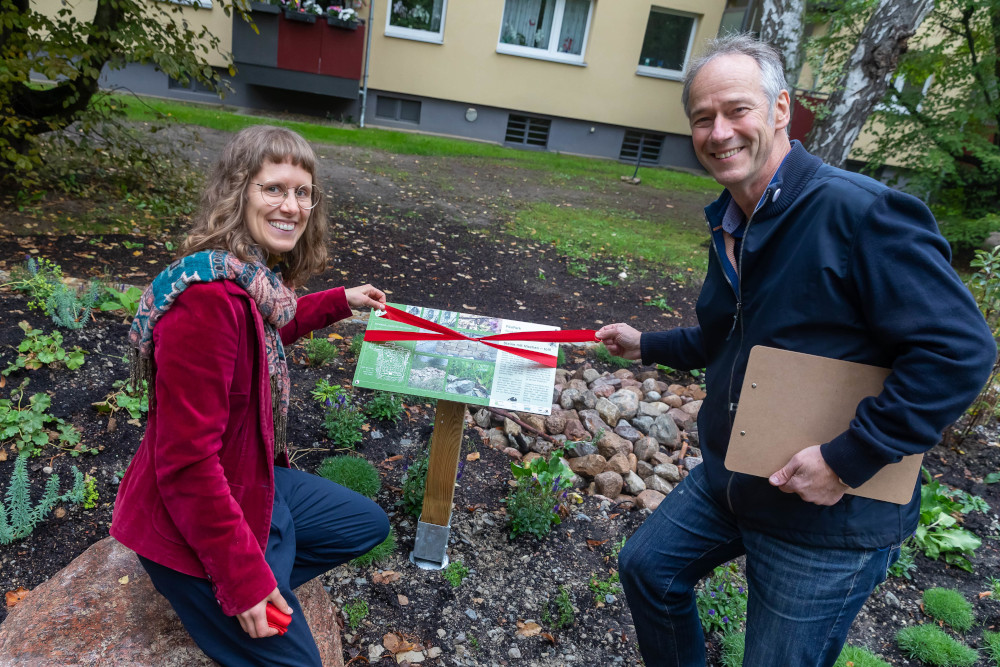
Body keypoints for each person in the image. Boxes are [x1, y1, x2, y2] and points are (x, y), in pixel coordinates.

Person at [595, 34, 995, 666]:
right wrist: (645, 344)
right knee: (648, 569)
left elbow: (960, 350)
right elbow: (727, 334)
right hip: (734, 480)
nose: (719, 131)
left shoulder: (857, 212)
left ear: (781, 110)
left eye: (737, 110)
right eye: (703, 118)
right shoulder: (732, 221)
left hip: (828, 517)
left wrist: (847, 458)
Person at [111, 125, 390, 666]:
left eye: (303, 192)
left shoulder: (247, 281)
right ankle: (221, 593)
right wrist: (243, 582)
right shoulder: (207, 301)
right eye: (274, 189)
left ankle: (252, 583)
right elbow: (187, 462)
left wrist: (340, 300)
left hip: (251, 478)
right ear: (239, 193)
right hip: (186, 516)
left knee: (365, 525)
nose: (293, 205)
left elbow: (257, 344)